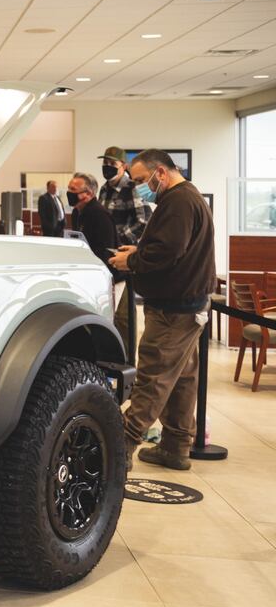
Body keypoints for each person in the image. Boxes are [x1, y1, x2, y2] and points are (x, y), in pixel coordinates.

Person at [107, 149, 215, 471]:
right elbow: (175, 246)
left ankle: (121, 446)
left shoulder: (178, 201)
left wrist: (133, 261)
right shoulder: (187, 197)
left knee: (153, 377)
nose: (140, 186)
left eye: (141, 180)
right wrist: (140, 250)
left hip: (173, 309)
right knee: (181, 379)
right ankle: (175, 447)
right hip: (188, 304)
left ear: (162, 173)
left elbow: (169, 250)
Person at [97, 145, 150, 243]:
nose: (108, 166)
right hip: (105, 246)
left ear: (124, 166)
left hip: (124, 249)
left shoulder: (133, 188)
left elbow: (143, 222)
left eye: (113, 163)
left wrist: (118, 240)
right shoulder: (104, 189)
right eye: (105, 162)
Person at [65, 172, 116, 265]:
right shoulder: (76, 212)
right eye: (68, 188)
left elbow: (106, 250)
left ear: (88, 194)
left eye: (73, 189)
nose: (69, 192)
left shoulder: (100, 215)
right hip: (83, 262)